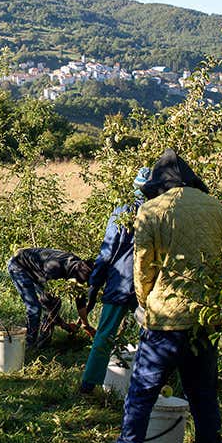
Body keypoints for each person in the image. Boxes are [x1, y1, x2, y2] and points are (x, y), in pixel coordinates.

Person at [111, 149, 222, 443]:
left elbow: (142, 268)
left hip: (164, 320)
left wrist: (146, 304)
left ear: (159, 184)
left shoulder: (151, 210)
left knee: (141, 397)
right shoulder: (216, 207)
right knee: (204, 396)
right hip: (205, 318)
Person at [79, 167, 151, 395]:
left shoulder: (122, 212)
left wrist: (95, 283)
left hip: (120, 281)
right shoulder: (157, 212)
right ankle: (147, 387)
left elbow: (108, 250)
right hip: (146, 284)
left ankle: (88, 385)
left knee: (105, 335)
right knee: (151, 336)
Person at [6, 247, 92, 349]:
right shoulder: (54, 268)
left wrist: (85, 325)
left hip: (37, 269)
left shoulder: (81, 267)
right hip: (19, 266)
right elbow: (47, 303)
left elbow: (80, 299)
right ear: (74, 276)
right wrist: (65, 326)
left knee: (55, 302)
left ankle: (43, 343)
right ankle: (29, 346)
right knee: (35, 308)